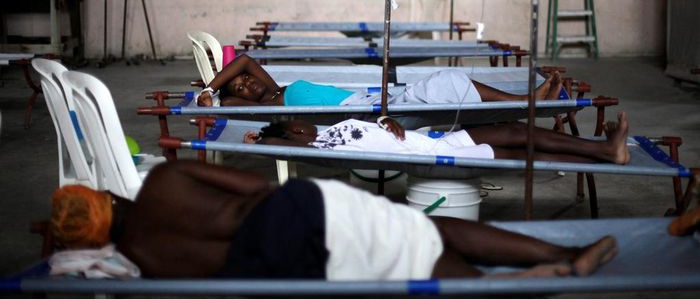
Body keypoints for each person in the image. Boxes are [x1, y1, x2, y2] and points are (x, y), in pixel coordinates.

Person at [51, 160, 619, 280]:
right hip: (296, 212)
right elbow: (257, 186)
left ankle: (505, 287)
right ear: (108, 200)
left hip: (287, 268)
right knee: (425, 229)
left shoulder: (145, 262)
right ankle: (558, 257)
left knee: (412, 265)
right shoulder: (163, 181)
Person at [248, 112, 631, 165]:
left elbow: (372, 126)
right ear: (294, 131)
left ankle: (603, 149)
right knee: (521, 153)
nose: (301, 119)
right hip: (431, 153)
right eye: (294, 121)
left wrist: (386, 118)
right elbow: (277, 146)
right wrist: (259, 139)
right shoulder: (316, 144)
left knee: (516, 129)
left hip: (430, 140)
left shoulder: (332, 132)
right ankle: (606, 156)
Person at [196, 54, 562, 107]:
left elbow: (244, 60)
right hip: (368, 112)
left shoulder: (276, 89)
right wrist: (215, 93)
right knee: (446, 78)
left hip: (371, 101)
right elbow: (227, 101)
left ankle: (527, 100)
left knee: (445, 80)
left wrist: (214, 82)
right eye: (240, 88)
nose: (246, 84)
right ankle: (526, 102)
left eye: (243, 81)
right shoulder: (267, 105)